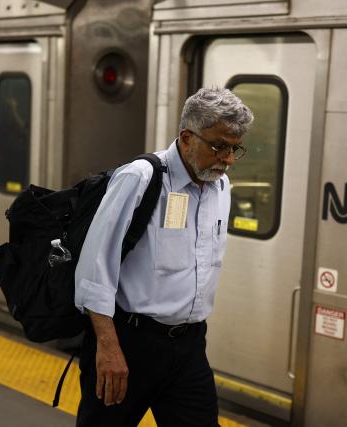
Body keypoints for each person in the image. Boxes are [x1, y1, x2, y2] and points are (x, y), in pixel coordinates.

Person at [74, 87, 254, 426]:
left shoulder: (221, 186)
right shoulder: (140, 178)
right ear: (187, 138)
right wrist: (108, 347)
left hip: (189, 348)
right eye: (219, 147)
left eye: (235, 149)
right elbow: (94, 268)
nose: (228, 159)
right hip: (131, 343)